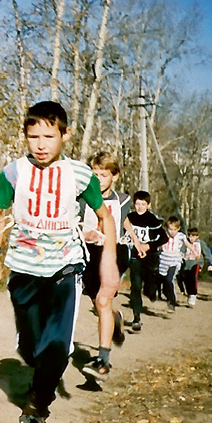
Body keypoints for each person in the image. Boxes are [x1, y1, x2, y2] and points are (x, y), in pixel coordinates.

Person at [0, 101, 119, 423]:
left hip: (64, 269)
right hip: (25, 271)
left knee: (56, 348)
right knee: (31, 351)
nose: (41, 144)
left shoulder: (80, 175)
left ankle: (35, 410)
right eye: (33, 136)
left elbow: (105, 217)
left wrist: (110, 264)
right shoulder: (14, 173)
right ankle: (32, 352)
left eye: (49, 136)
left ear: (65, 135)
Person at [79, 152, 137, 381]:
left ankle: (103, 360)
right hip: (89, 253)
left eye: (103, 175)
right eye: (94, 174)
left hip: (115, 253)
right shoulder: (81, 198)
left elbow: (122, 220)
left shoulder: (122, 199)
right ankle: (115, 319)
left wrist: (136, 239)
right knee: (97, 302)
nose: (98, 179)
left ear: (115, 176)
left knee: (103, 300)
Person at [125, 191, 168, 332]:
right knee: (135, 285)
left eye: (143, 204)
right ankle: (136, 316)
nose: (140, 207)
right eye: (137, 204)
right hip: (135, 256)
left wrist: (148, 246)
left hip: (150, 257)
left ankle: (152, 290)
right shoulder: (129, 218)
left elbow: (164, 238)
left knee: (149, 284)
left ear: (148, 205)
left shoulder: (153, 220)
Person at [158, 216, 191, 313]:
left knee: (169, 279)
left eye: (174, 229)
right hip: (164, 260)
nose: (172, 232)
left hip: (175, 260)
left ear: (178, 229)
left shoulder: (181, 236)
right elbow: (157, 243)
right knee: (164, 281)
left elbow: (187, 244)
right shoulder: (163, 235)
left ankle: (172, 302)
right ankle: (166, 294)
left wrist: (193, 251)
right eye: (170, 229)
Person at [180, 227, 211, 307]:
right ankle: (189, 293)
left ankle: (193, 295)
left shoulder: (201, 243)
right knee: (186, 279)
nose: (192, 238)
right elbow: (181, 251)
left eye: (194, 236)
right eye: (190, 236)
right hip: (187, 264)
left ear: (197, 236)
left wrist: (210, 263)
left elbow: (207, 252)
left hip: (197, 263)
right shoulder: (185, 243)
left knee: (193, 277)